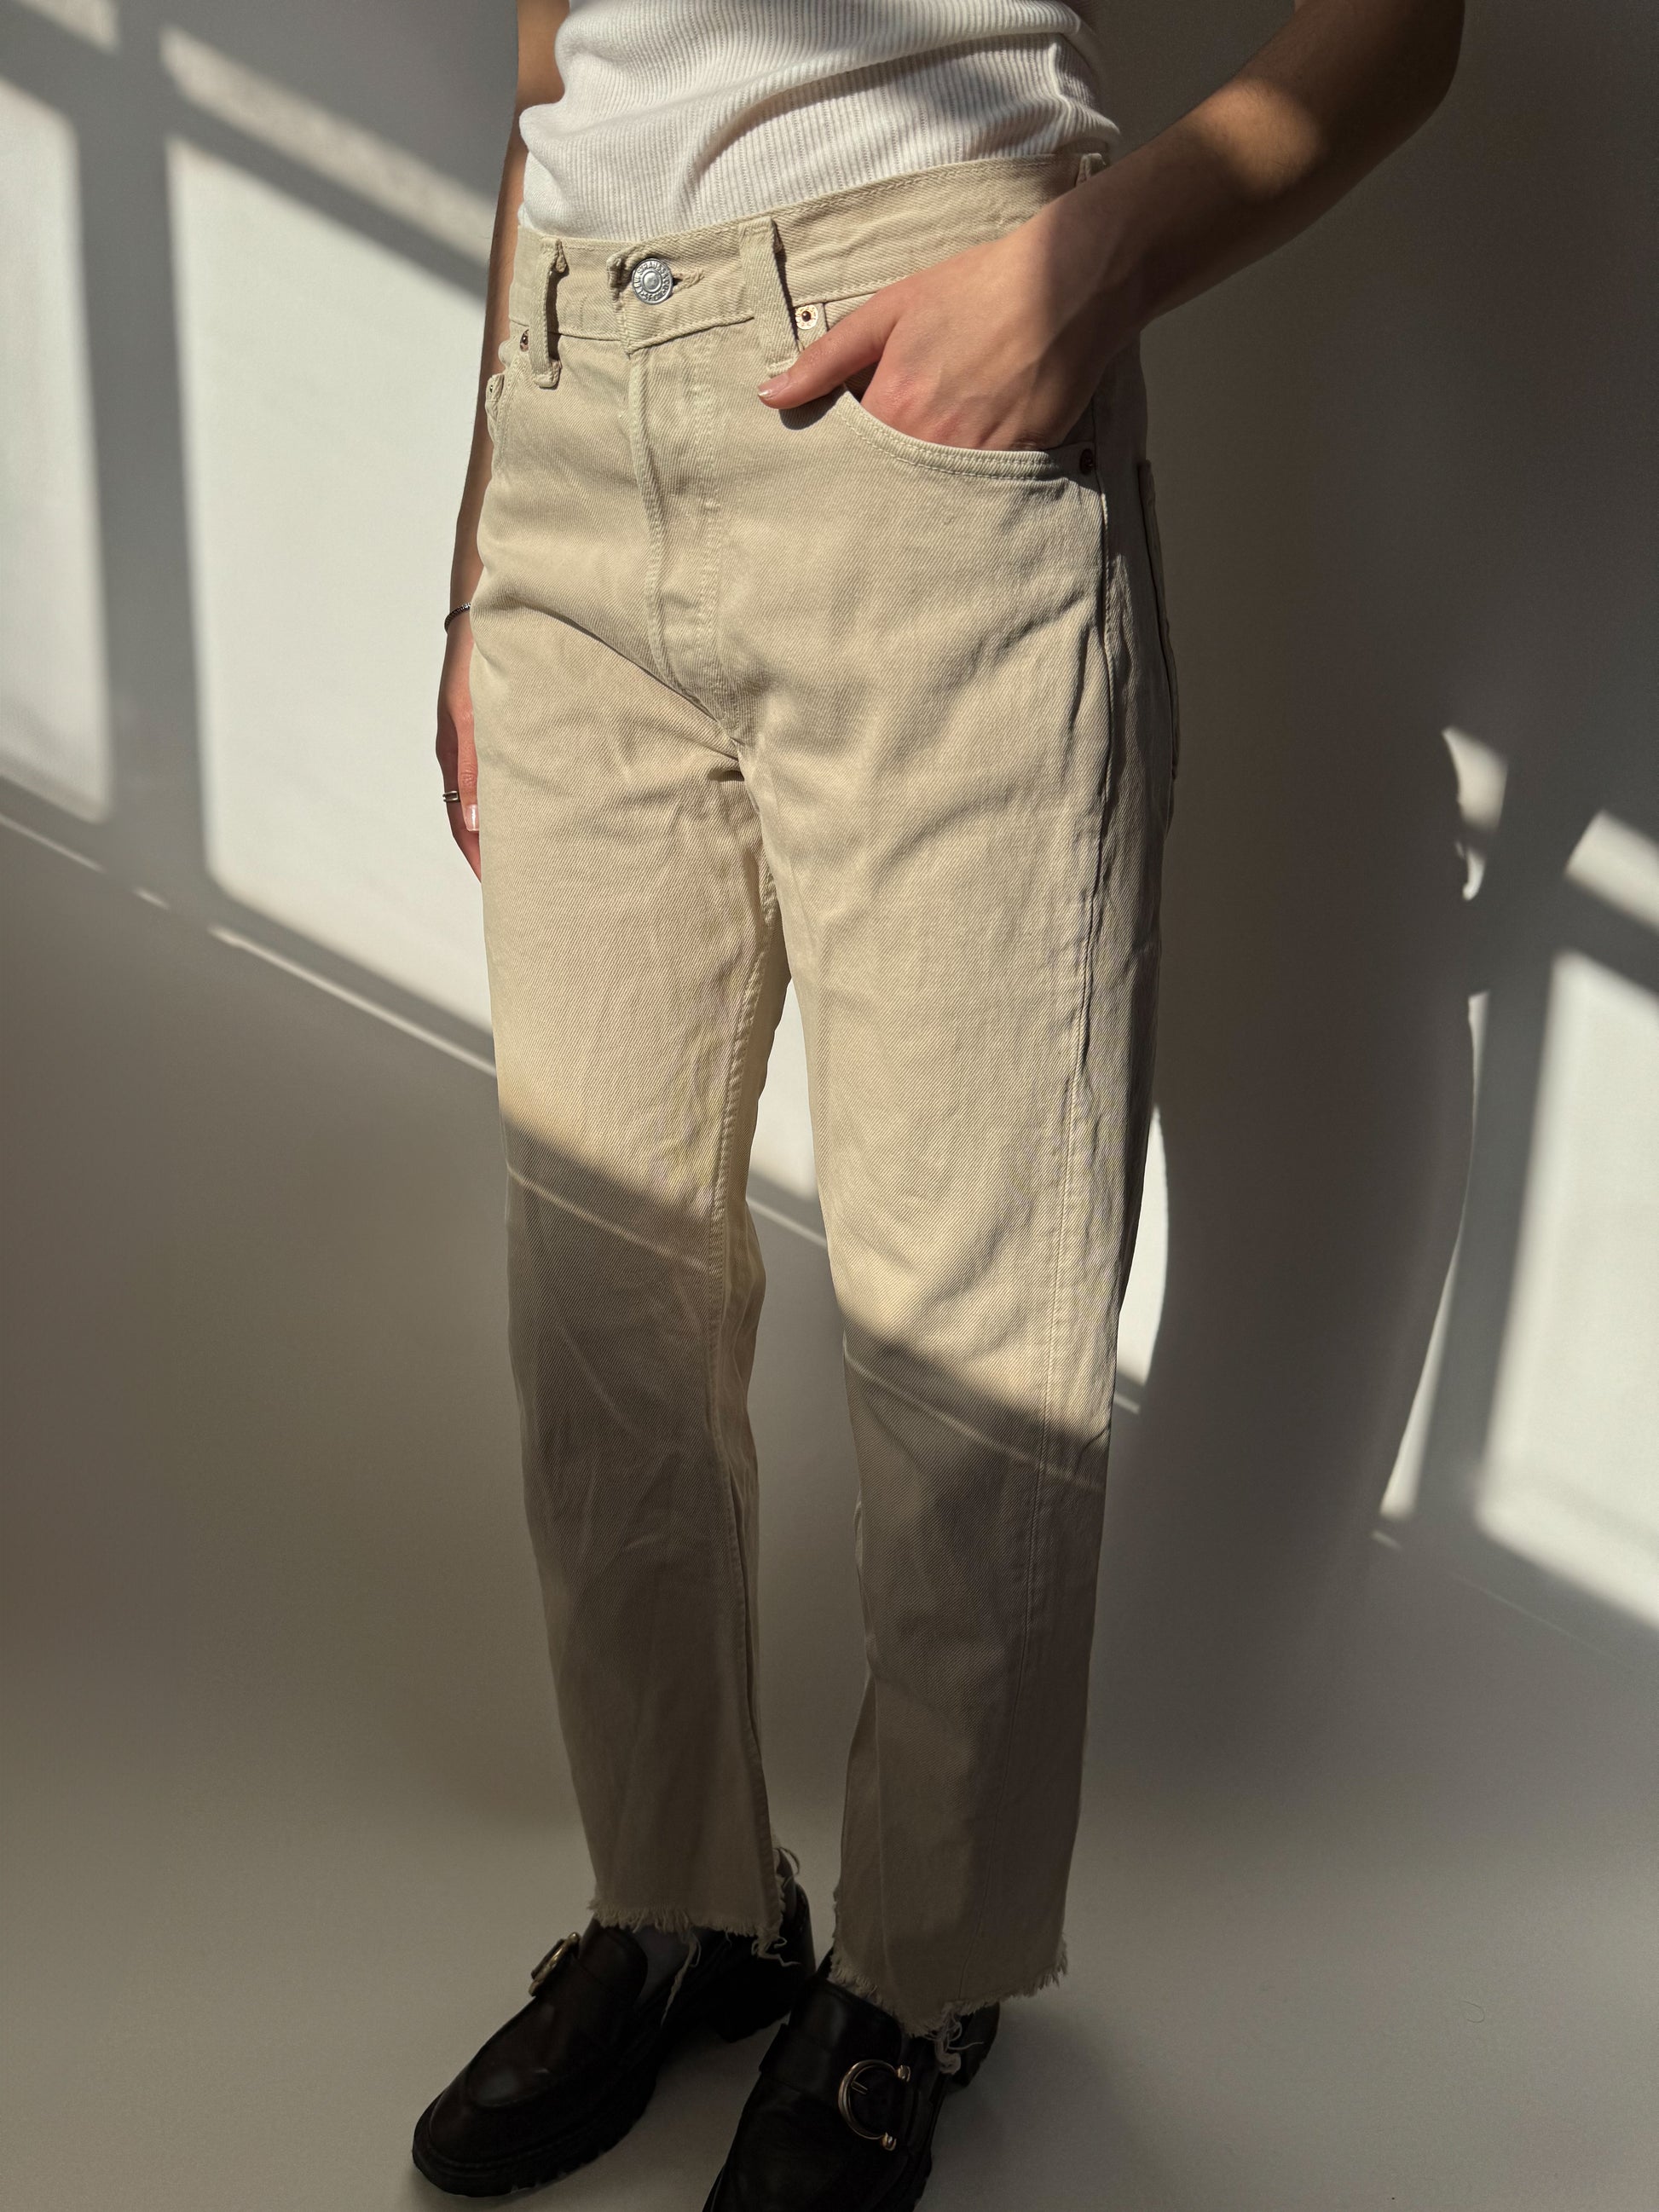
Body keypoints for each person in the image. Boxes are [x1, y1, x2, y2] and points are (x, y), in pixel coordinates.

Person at [413, 3, 1461, 2203]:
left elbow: (1402, 23)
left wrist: (1088, 265)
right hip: (569, 425)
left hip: (928, 399)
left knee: (967, 1319)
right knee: (600, 1314)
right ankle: (681, 1905)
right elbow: (550, 72)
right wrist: (481, 539)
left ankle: (913, 1979)